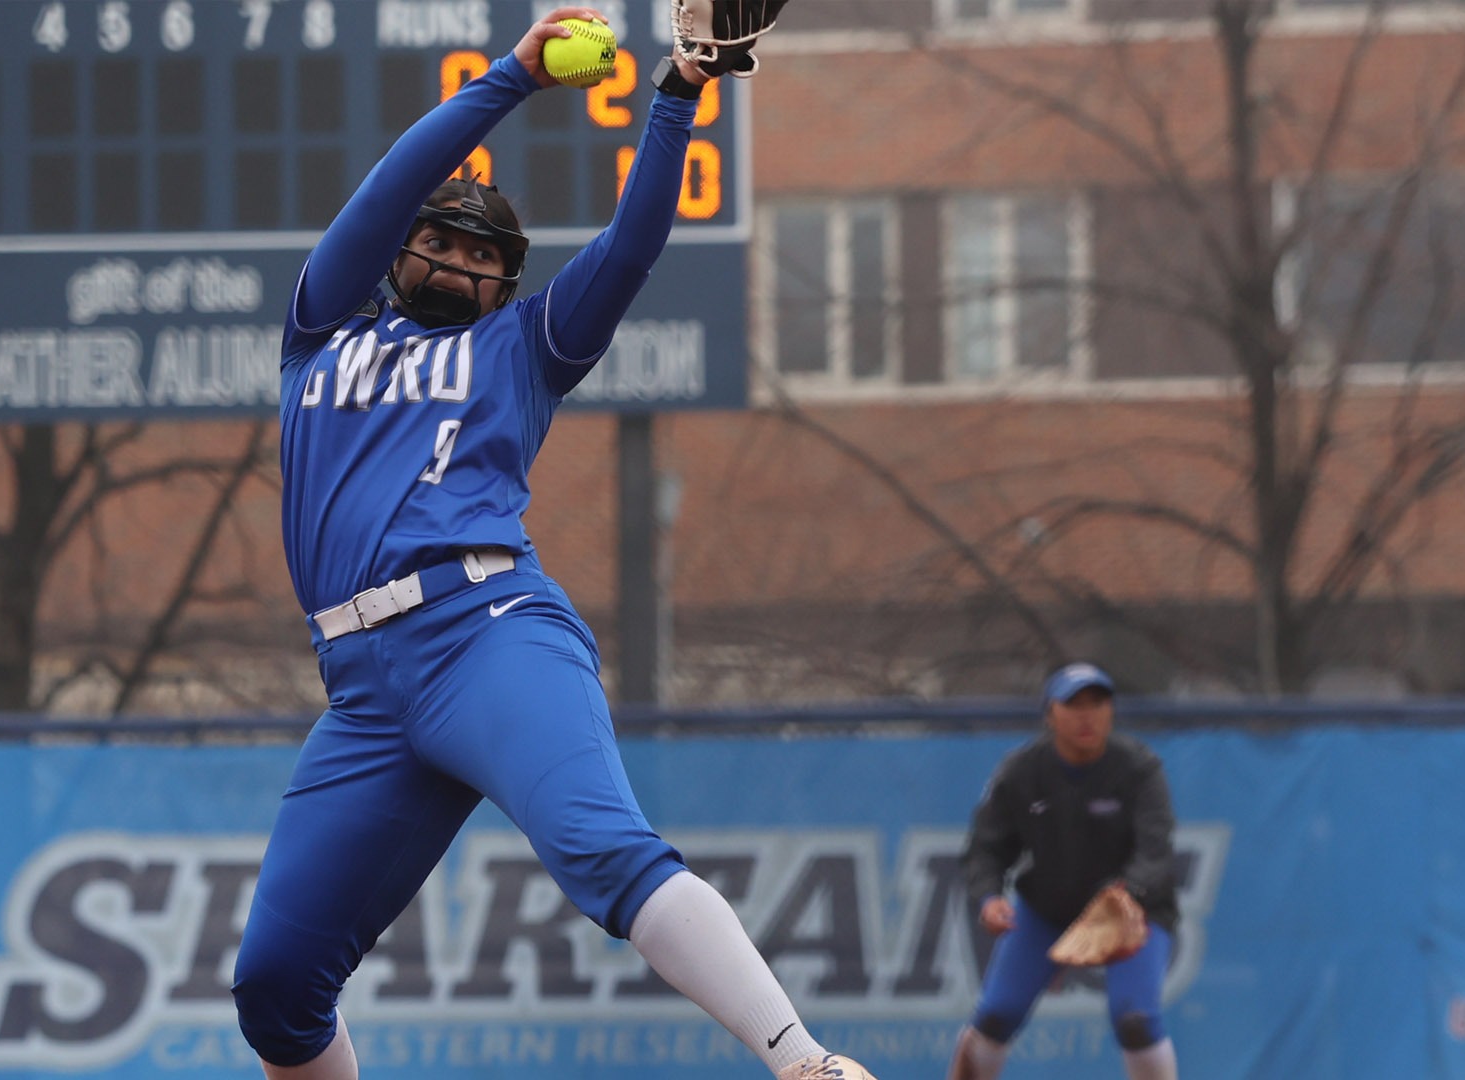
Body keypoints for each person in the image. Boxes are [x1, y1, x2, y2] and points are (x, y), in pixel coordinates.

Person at [229, 9, 875, 1080]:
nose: (453, 256)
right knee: (276, 986)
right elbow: (390, 186)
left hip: (485, 630)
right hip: (360, 689)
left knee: (600, 850)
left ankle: (803, 1060)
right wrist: (511, 79)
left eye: (482, 253)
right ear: (400, 255)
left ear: (506, 283)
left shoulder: (523, 346)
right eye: (437, 239)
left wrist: (680, 90)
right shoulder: (320, 330)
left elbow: (631, 247)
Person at [948, 662, 1181, 1080]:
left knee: (1135, 1020)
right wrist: (989, 898)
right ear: (1050, 713)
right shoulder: (1023, 772)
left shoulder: (1138, 768)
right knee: (996, 1016)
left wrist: (1129, 893)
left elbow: (1156, 851)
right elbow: (985, 849)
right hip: (1049, 911)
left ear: (1111, 711)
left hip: (1131, 912)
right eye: (1073, 704)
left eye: (1098, 702)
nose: (1087, 715)